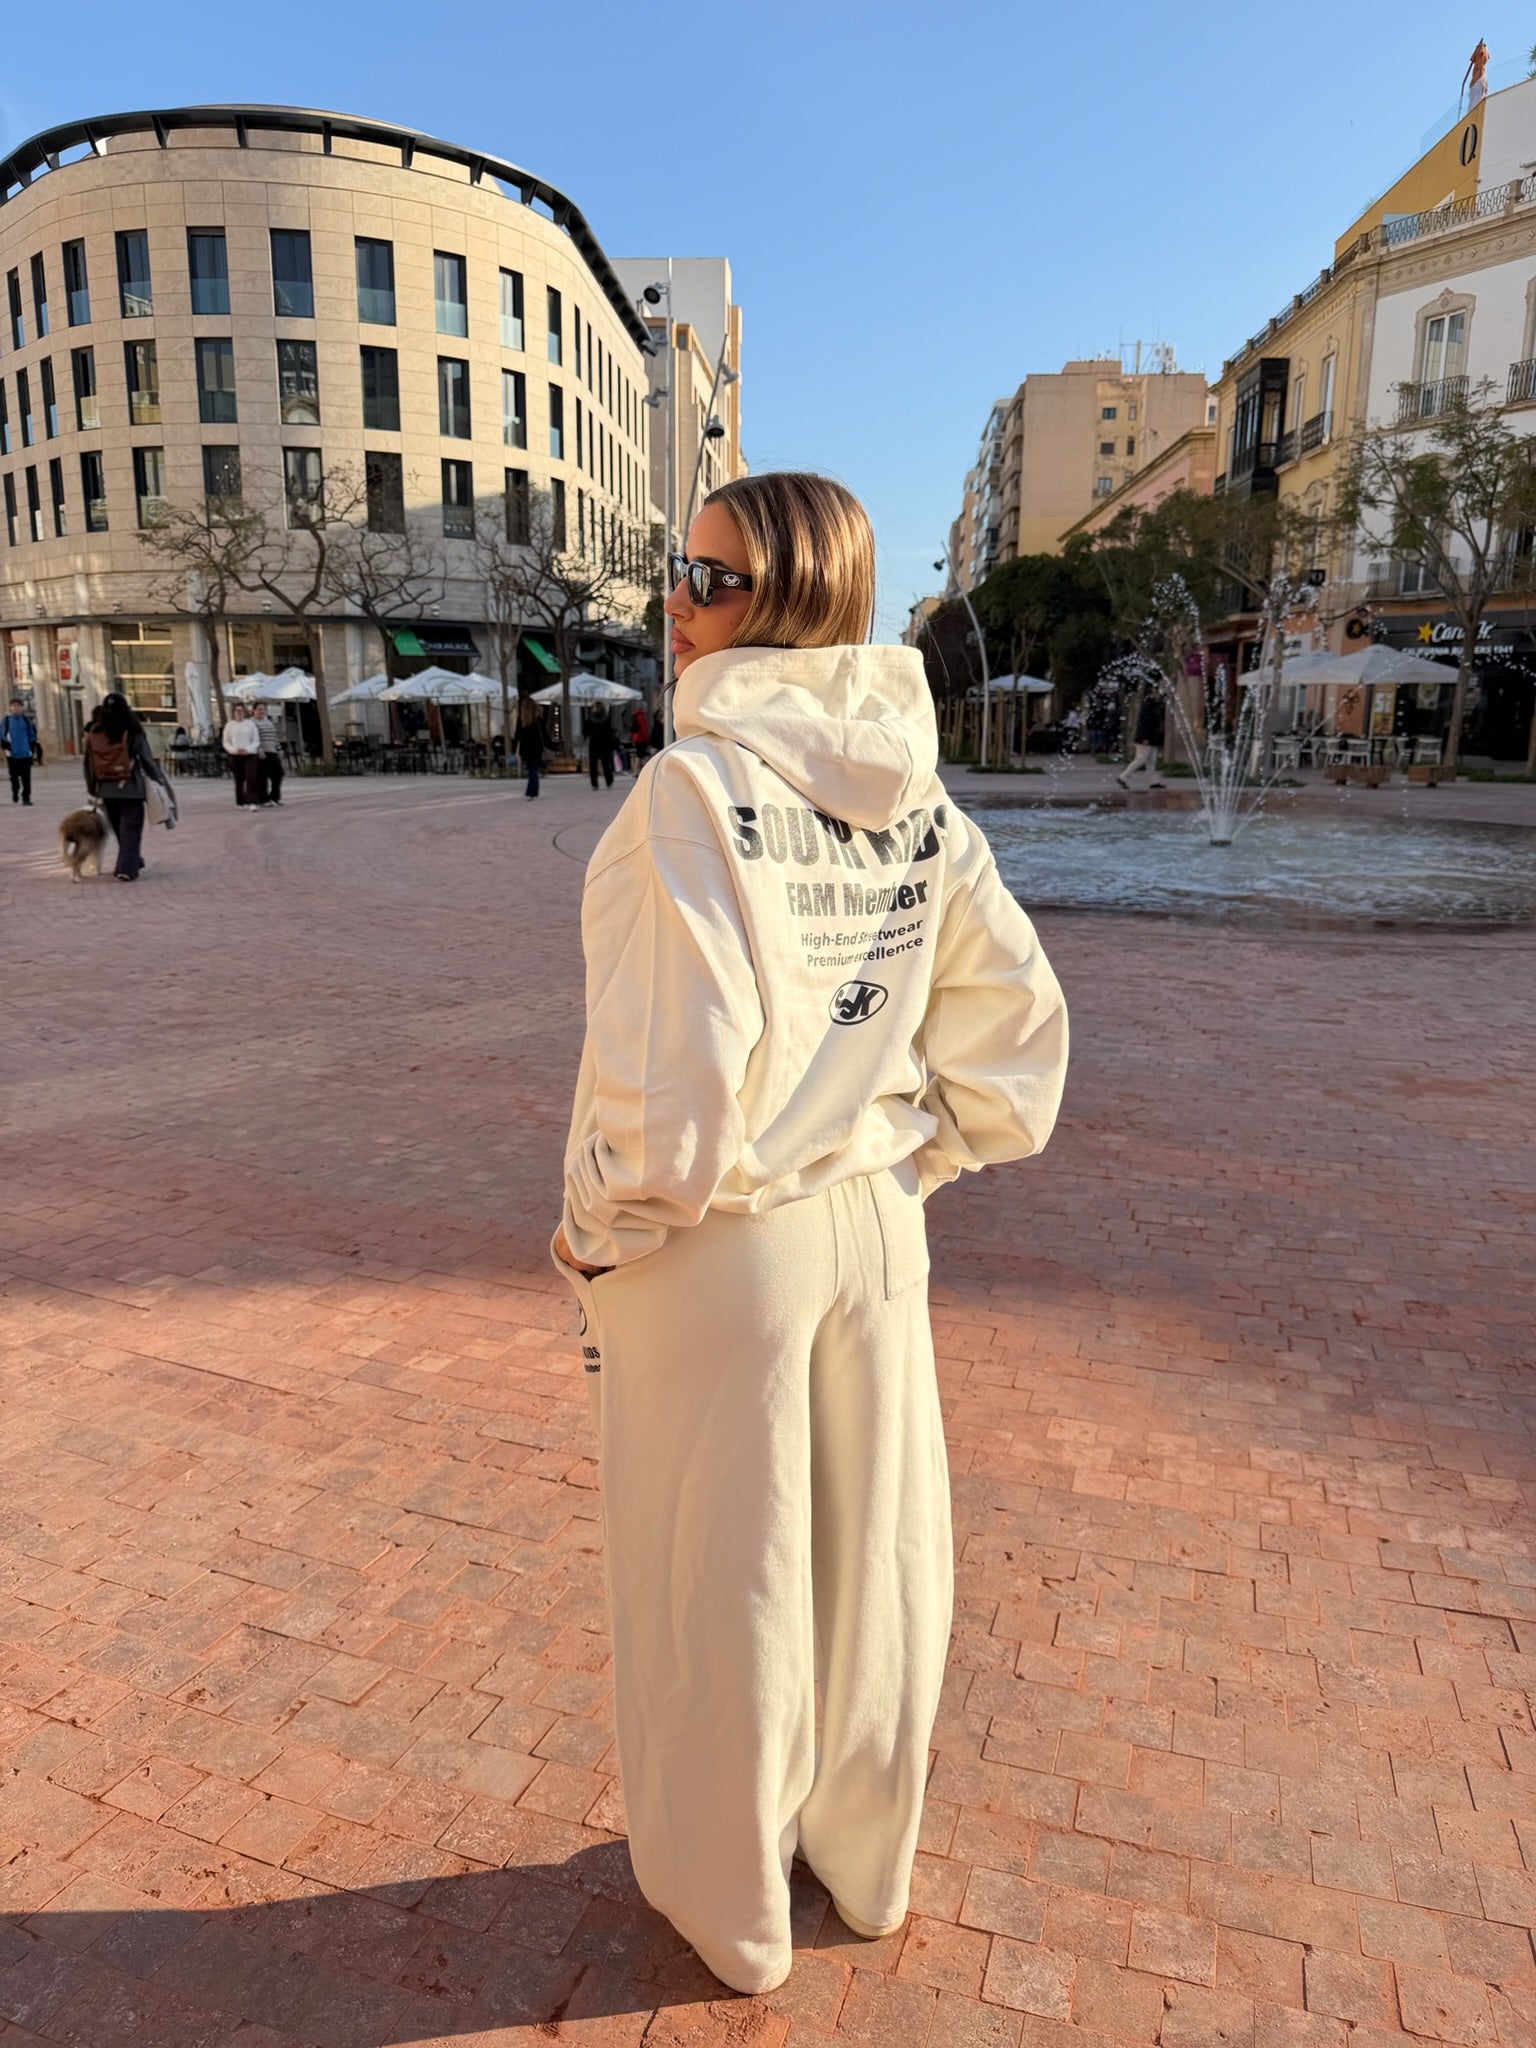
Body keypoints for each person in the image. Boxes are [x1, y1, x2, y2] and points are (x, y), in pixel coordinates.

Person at [551, 472, 1068, 1997]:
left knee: (725, 1586)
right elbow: (1017, 1043)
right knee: (877, 1569)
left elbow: (672, 1098)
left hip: (724, 1242)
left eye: (700, 579)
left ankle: (733, 1907)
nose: (673, 601)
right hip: (871, 1226)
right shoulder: (919, 794)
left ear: (774, 601)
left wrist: (592, 1231)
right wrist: (916, 1155)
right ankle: (866, 1860)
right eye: (680, 571)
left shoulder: (691, 796)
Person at [82, 691, 169, 881]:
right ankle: (127, 869)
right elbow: (146, 759)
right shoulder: (132, 730)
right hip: (131, 787)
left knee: (121, 830)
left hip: (106, 789)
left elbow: (88, 763)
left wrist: (92, 788)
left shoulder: (95, 732)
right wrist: (158, 779)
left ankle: (131, 860)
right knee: (131, 829)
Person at [1117, 688, 1166, 789]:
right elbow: (1144, 723)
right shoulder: (1148, 705)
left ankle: (1153, 782)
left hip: (1152, 738)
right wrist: (1145, 737)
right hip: (1145, 738)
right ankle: (1123, 776)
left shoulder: (1153, 704)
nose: (1157, 695)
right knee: (1141, 759)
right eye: (1155, 692)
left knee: (1151, 761)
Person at [222, 702, 263, 808]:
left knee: (251, 777)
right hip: (235, 755)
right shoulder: (229, 725)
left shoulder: (250, 724)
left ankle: (252, 801)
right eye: (237, 711)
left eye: (241, 711)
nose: (239, 713)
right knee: (239, 779)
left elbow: (256, 741)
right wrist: (235, 750)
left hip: (249, 754)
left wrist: (248, 749)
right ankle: (240, 801)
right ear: (233, 713)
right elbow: (226, 742)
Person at [3, 696, 38, 805]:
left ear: (22, 707)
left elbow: (32, 736)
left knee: (26, 777)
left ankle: (26, 798)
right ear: (10, 708)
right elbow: (2, 736)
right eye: (14, 706)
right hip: (12, 754)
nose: (16, 708)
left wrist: (31, 749)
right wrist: (6, 748)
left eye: (18, 706)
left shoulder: (26, 721)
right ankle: (15, 792)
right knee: (14, 777)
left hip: (25, 753)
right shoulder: (7, 721)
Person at [252, 701, 285, 807]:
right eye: (259, 709)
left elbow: (274, 737)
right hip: (261, 753)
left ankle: (274, 797)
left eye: (263, 709)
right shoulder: (252, 723)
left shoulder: (269, 722)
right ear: (254, 711)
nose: (262, 711)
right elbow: (252, 738)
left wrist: (279, 749)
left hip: (272, 751)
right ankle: (263, 799)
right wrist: (259, 749)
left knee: (278, 774)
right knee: (262, 777)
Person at [515, 696, 545, 798]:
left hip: (526, 748)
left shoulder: (521, 719)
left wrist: (513, 748)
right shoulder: (538, 719)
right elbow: (544, 734)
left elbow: (517, 736)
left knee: (531, 769)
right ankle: (533, 790)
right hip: (537, 747)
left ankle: (531, 791)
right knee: (534, 769)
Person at [586, 700, 617, 788]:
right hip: (604, 743)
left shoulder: (591, 718)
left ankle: (594, 783)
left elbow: (586, 731)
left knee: (593, 765)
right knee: (606, 764)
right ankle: (609, 780)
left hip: (594, 743)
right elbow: (609, 732)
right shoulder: (606, 718)